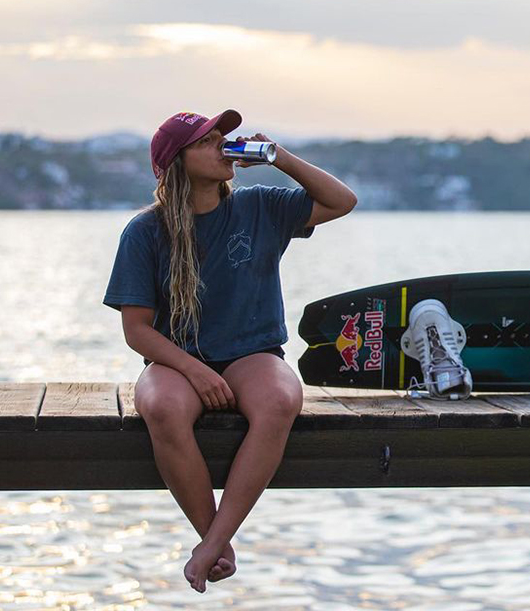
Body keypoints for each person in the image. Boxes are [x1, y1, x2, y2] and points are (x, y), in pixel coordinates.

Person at [102, 109, 357, 593]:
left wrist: (277, 156)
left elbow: (342, 201)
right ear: (176, 161)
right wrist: (194, 372)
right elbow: (137, 330)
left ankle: (212, 543)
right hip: (176, 360)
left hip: (252, 354)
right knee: (160, 405)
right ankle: (215, 541)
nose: (223, 146)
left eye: (224, 137)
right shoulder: (145, 231)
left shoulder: (260, 206)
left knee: (281, 400)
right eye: (207, 141)